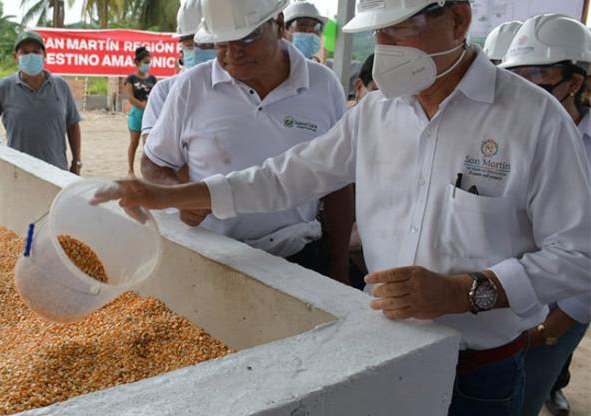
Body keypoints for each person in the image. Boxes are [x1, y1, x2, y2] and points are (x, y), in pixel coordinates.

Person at [92, 1, 591, 415]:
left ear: (456, 20)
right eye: (378, 38)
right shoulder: (376, 113)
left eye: (397, 34)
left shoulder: (534, 119)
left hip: (481, 370)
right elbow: (284, 177)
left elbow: (576, 256)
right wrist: (170, 195)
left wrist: (465, 293)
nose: (385, 53)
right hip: (385, 347)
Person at [141, 0, 353, 284]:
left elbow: (338, 184)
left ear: (278, 25)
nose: (233, 53)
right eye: (220, 43)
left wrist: (339, 266)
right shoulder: (191, 87)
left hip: (298, 258)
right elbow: (153, 163)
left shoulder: (323, 86)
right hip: (212, 257)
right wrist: (181, 195)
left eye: (246, 38)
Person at [498, 14, 591, 416]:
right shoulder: (503, 134)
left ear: (574, 81)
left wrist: (559, 321)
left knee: (522, 398)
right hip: (499, 295)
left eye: (539, 74)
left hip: (562, 303)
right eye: (517, 74)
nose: (525, 86)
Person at [0, 31, 82, 174]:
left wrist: (76, 162)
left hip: (57, 171)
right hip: (19, 171)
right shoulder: (5, 86)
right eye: (25, 52)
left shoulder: (60, 85)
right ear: (15, 57)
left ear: (44, 56)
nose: (31, 56)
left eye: (36, 52)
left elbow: (73, 125)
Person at [141, 0, 214, 144]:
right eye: (189, 44)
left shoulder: (244, 89)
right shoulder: (164, 92)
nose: (198, 50)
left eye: (206, 44)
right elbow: (153, 159)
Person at [124, 47, 157, 176]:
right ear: (137, 62)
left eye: (149, 62)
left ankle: (149, 170)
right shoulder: (131, 78)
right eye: (145, 62)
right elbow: (131, 98)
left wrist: (150, 108)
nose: (147, 65)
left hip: (150, 114)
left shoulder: (152, 79)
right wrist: (144, 107)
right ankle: (131, 170)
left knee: (149, 144)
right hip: (137, 114)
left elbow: (156, 95)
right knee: (134, 142)